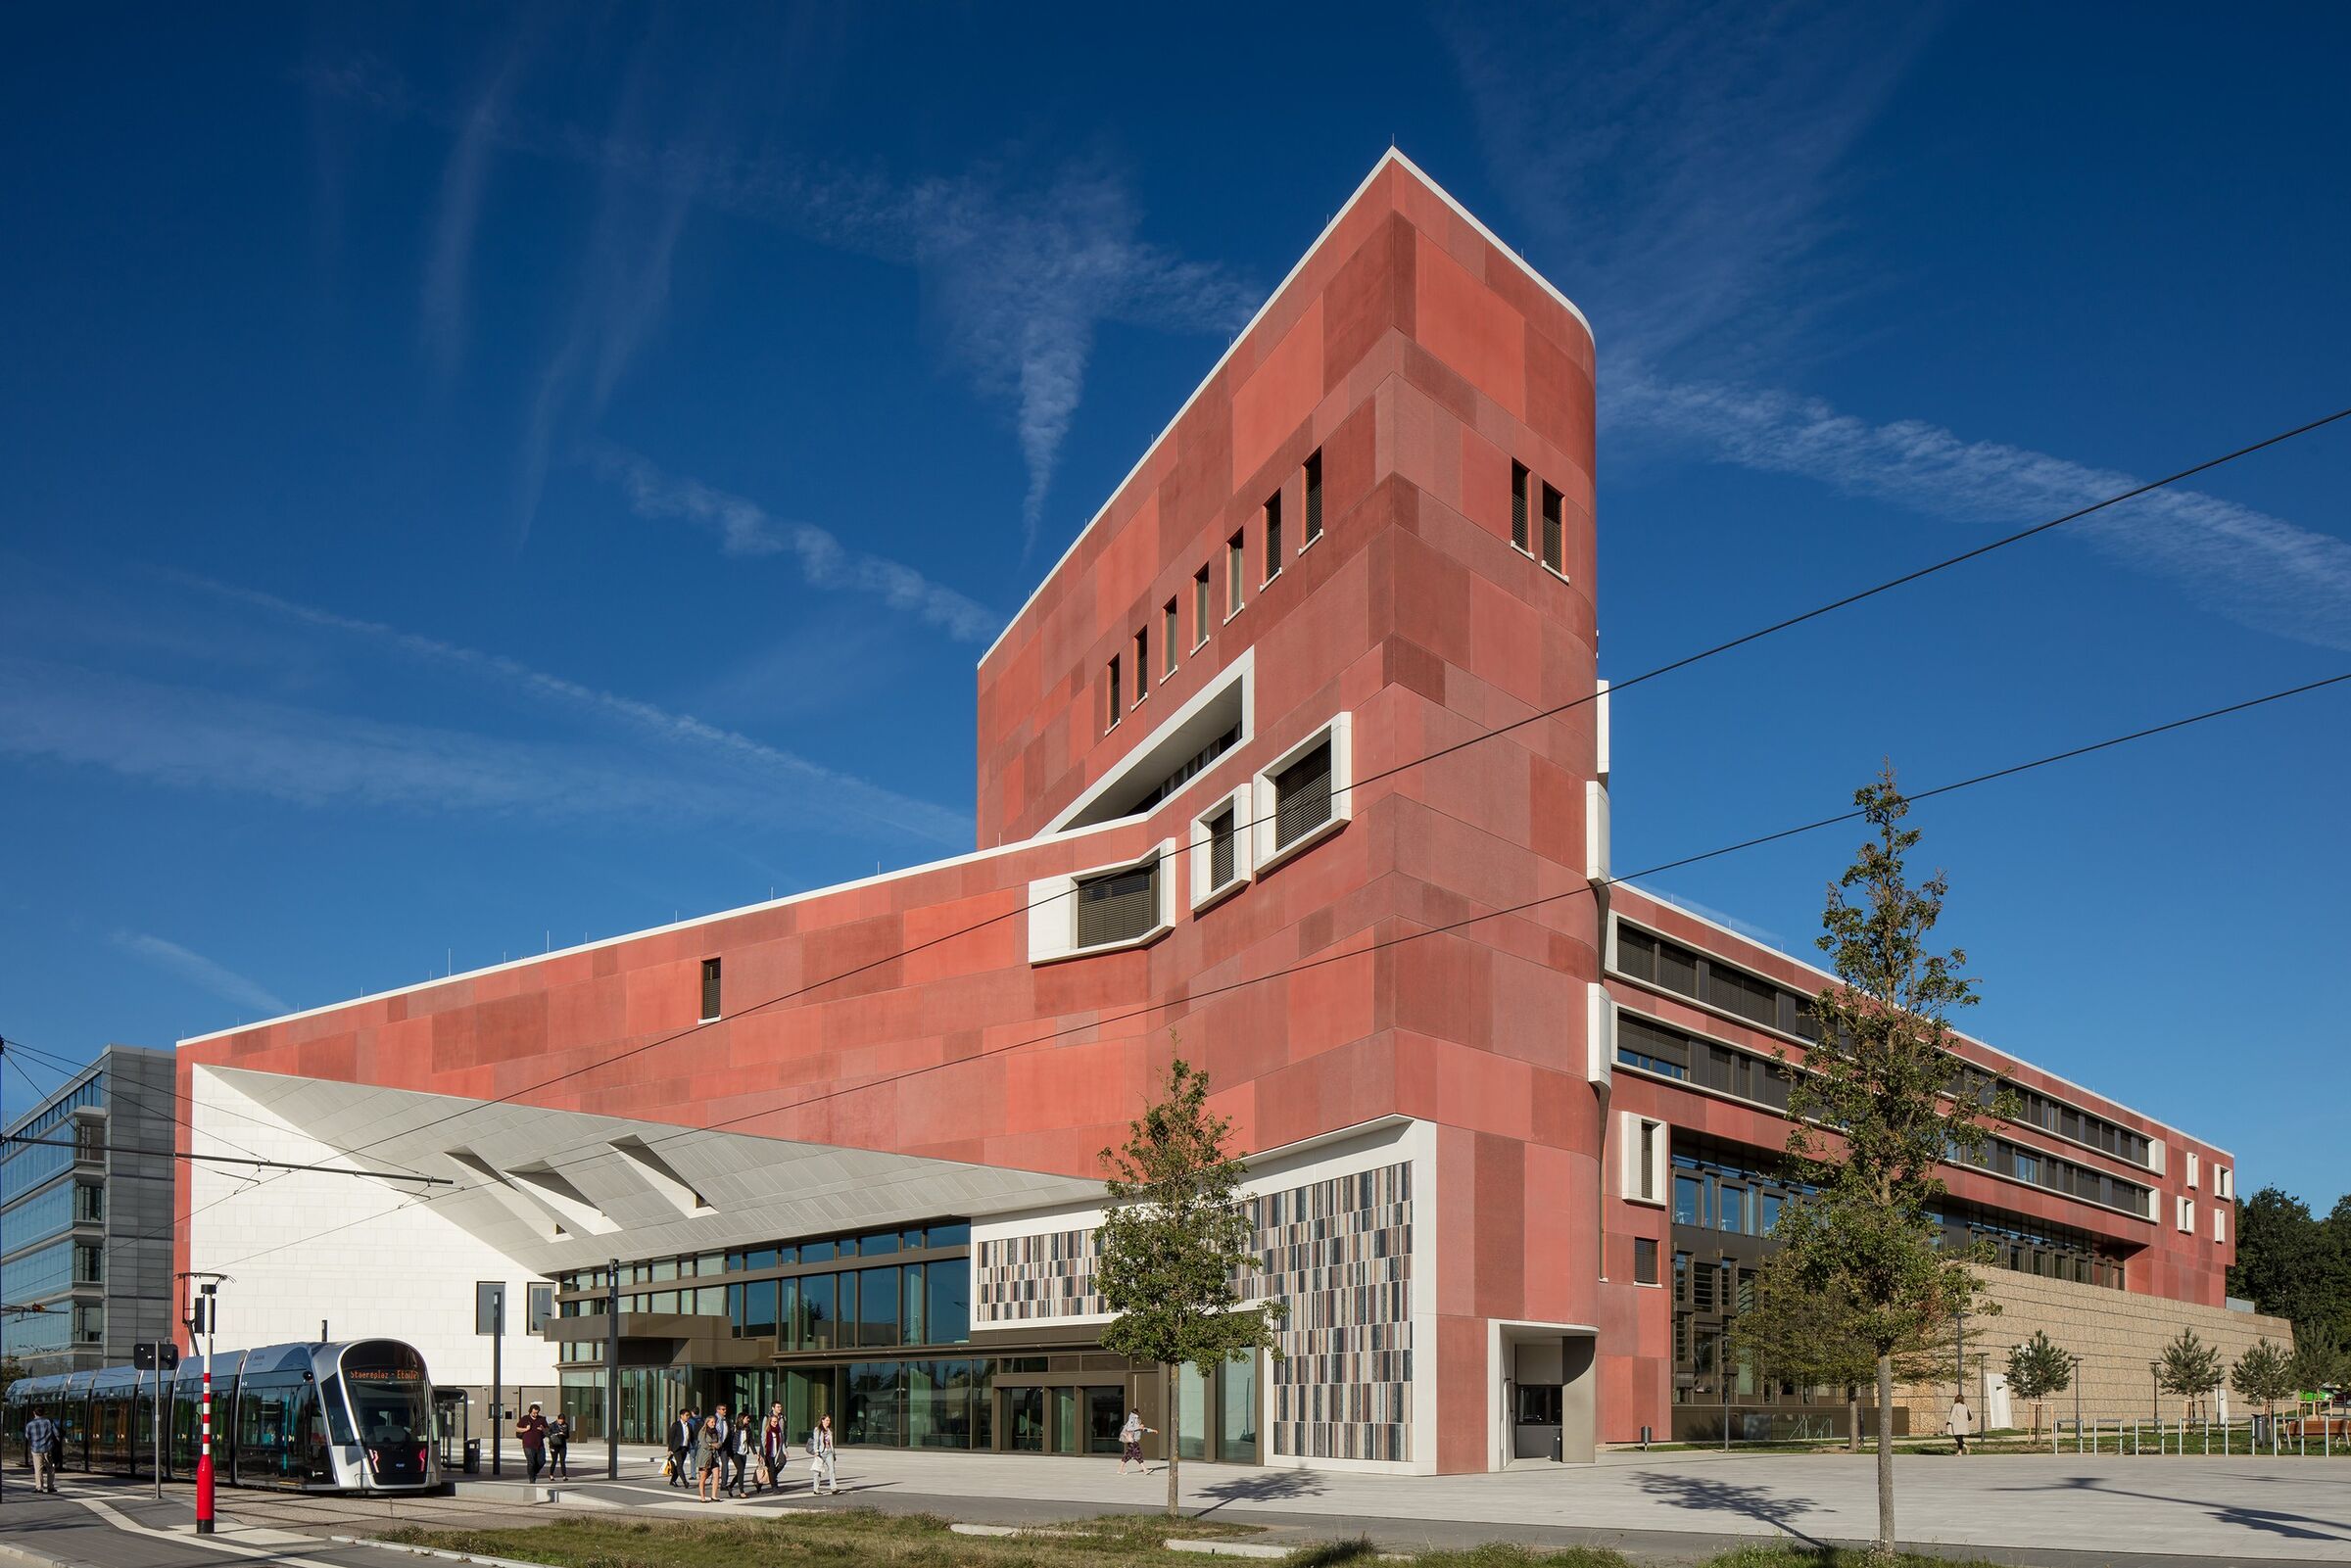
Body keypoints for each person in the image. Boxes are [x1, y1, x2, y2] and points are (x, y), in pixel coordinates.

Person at [696, 1403, 731, 1502]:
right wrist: (712, 1445)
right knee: (703, 1477)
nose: (713, 1424)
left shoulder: (715, 1431)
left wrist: (715, 1445)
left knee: (716, 1475)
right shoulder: (703, 1432)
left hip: (714, 1456)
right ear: (707, 1422)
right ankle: (702, 1497)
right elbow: (704, 1444)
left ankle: (714, 1495)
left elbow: (719, 1443)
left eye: (714, 1422)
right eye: (711, 1422)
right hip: (705, 1456)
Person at [24, 1407, 58, 1494]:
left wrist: (33, 1443)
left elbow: (27, 1436)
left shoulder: (30, 1424)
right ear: (43, 1413)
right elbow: (56, 1433)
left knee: (38, 1468)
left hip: (36, 1449)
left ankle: (39, 1487)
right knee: (50, 1468)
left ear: (34, 1413)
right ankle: (50, 1487)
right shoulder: (49, 1422)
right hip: (48, 1448)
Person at [759, 1402, 790, 1494]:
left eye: (781, 1406)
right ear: (773, 1408)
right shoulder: (767, 1418)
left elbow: (784, 1432)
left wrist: (785, 1448)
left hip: (779, 1447)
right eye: (778, 1407)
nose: (780, 1408)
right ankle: (774, 1487)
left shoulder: (782, 1418)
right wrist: (762, 1452)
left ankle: (771, 1477)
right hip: (768, 1449)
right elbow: (763, 1436)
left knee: (782, 1462)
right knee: (771, 1468)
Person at [517, 1402, 550, 1484]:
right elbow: (517, 1429)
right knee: (531, 1462)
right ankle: (532, 1478)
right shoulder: (525, 1418)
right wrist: (526, 1429)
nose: (535, 1414)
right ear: (530, 1411)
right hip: (528, 1444)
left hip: (539, 1444)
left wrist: (542, 1429)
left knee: (542, 1461)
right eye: (534, 1413)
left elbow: (547, 1431)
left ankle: (534, 1472)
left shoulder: (542, 1419)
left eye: (537, 1413)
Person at [726, 1407, 753, 1497]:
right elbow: (729, 1441)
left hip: (744, 1452)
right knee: (741, 1470)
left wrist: (755, 1453)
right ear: (742, 1419)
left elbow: (750, 1441)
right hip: (735, 1453)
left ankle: (730, 1486)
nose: (748, 1419)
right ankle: (742, 1492)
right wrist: (728, 1453)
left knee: (740, 1472)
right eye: (746, 1418)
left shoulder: (748, 1429)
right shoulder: (734, 1429)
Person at [809, 1413, 838, 1496]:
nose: (828, 1422)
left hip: (829, 1452)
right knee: (817, 1471)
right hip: (821, 1453)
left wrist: (833, 1453)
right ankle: (816, 1489)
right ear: (822, 1420)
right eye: (826, 1420)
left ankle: (833, 1488)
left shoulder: (829, 1430)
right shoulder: (818, 1429)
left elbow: (831, 1443)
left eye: (829, 1420)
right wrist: (816, 1451)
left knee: (832, 1470)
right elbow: (816, 1441)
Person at [1118, 1409, 1155, 1474]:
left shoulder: (1136, 1419)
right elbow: (1129, 1428)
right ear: (1136, 1413)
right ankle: (1145, 1470)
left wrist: (1152, 1430)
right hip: (1132, 1440)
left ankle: (1120, 1470)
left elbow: (1142, 1428)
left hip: (1133, 1440)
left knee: (1128, 1455)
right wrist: (1139, 1427)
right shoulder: (1132, 1418)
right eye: (1138, 1413)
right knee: (1138, 1454)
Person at [667, 1408, 696, 1488]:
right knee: (680, 1465)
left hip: (685, 1448)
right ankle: (685, 1482)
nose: (688, 1417)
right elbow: (671, 1438)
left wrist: (694, 1446)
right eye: (686, 1415)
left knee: (679, 1466)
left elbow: (692, 1437)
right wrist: (670, 1449)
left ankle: (672, 1481)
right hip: (677, 1448)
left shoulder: (689, 1425)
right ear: (681, 1415)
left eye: (689, 1415)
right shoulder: (676, 1425)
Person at [546, 1413, 570, 1481]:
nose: (561, 1422)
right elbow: (548, 1434)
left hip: (562, 1445)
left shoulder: (566, 1425)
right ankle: (551, 1475)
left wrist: (564, 1434)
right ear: (557, 1419)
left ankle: (564, 1476)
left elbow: (568, 1436)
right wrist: (557, 1433)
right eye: (560, 1421)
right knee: (554, 1460)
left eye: (562, 1421)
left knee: (562, 1461)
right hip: (554, 1445)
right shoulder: (552, 1425)